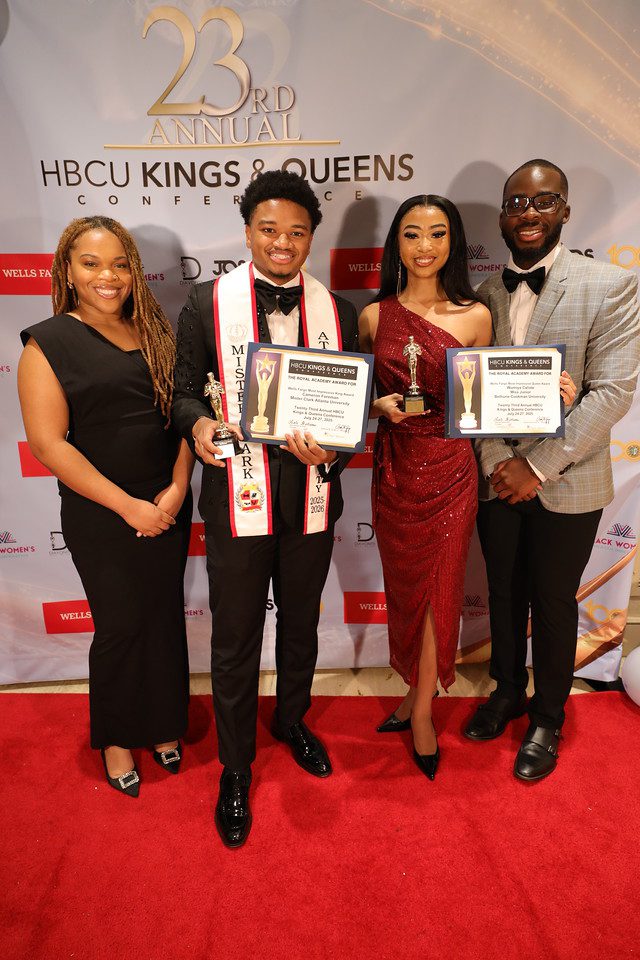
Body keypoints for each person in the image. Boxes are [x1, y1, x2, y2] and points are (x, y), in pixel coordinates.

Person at [172, 170, 358, 847]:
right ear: (248, 230)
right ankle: (236, 766)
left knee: (302, 625)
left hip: (311, 499)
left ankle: (293, 721)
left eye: (298, 232)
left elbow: (352, 410)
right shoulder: (205, 303)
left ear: (313, 236)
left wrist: (332, 453)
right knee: (236, 637)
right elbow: (184, 394)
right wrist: (197, 427)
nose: (284, 243)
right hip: (237, 500)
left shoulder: (337, 308)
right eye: (270, 230)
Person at [465, 159, 640, 781]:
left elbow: (612, 393)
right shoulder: (482, 295)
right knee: (504, 592)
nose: (528, 214)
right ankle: (507, 690)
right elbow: (472, 396)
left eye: (543, 203)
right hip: (496, 477)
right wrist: (498, 465)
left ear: (565, 210)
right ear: (503, 214)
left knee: (554, 598)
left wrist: (535, 467)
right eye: (516, 203)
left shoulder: (610, 284)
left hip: (568, 480)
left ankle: (549, 715)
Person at [17, 216, 194, 798]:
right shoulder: (46, 343)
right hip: (102, 512)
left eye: (119, 263)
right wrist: (129, 508)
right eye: (91, 263)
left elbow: (180, 420)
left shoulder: (155, 330)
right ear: (68, 270)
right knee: (121, 626)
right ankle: (118, 739)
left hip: (166, 501)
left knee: (164, 617)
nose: (107, 276)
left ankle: (165, 723)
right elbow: (49, 445)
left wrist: (174, 488)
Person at [358, 195, 492, 779]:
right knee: (408, 589)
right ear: (397, 245)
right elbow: (357, 398)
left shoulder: (477, 315)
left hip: (451, 470)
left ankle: (421, 712)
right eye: (412, 235)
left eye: (438, 234)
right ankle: (415, 692)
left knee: (441, 590)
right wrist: (377, 407)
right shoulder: (373, 316)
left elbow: (485, 404)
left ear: (453, 243)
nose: (425, 247)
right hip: (394, 471)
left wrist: (549, 396)